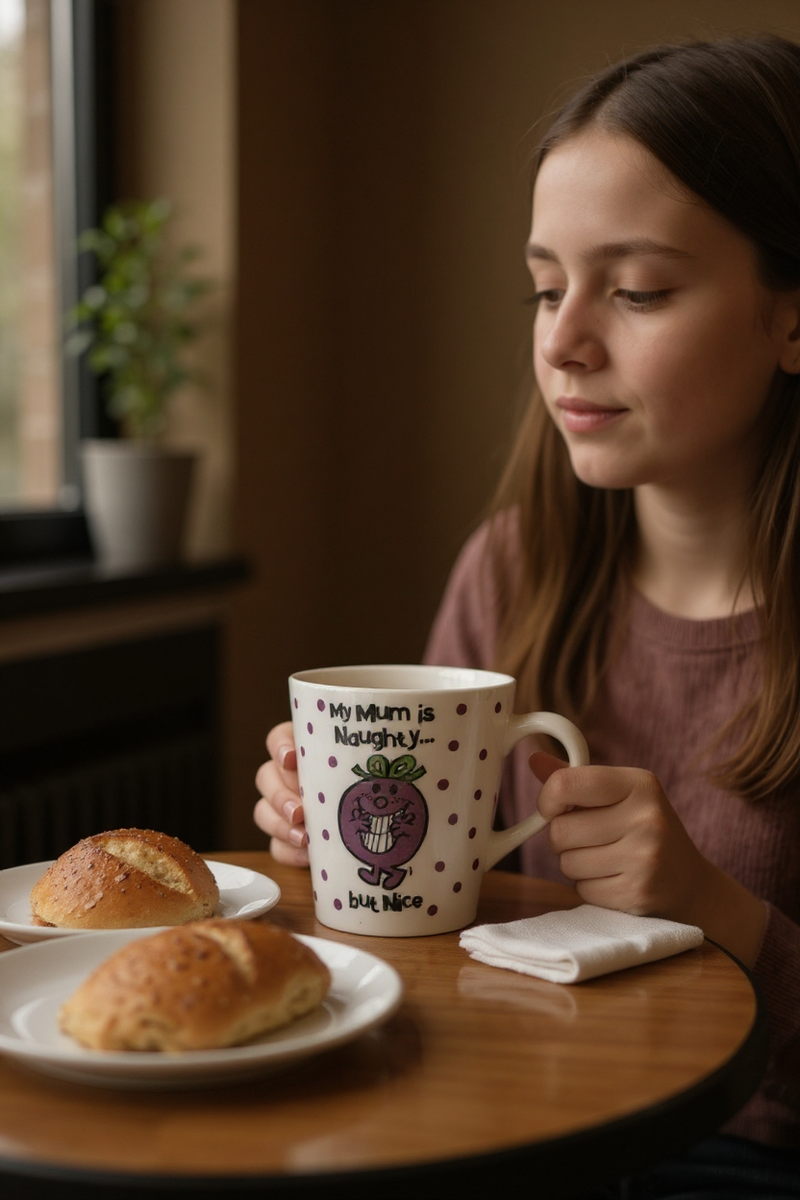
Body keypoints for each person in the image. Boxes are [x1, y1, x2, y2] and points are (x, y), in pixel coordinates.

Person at [254, 35, 800, 1194]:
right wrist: (344, 841)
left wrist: (723, 918)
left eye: (638, 289)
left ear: (789, 317)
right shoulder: (511, 570)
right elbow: (440, 946)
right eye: (545, 288)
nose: (560, 341)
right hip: (507, 1111)